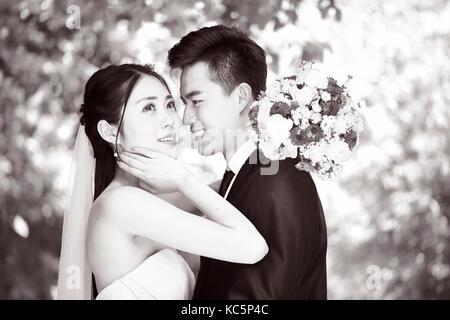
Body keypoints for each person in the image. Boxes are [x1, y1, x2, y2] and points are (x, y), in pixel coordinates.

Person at [122, 25, 328, 299]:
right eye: (184, 103)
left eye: (196, 101)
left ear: (241, 97)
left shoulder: (279, 181)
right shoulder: (244, 176)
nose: (185, 119)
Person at [57, 63, 268, 300]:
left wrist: (281, 142)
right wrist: (183, 179)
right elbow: (253, 247)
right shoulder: (121, 203)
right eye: (148, 108)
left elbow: (231, 187)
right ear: (108, 132)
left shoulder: (150, 201)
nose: (170, 119)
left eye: (169, 105)